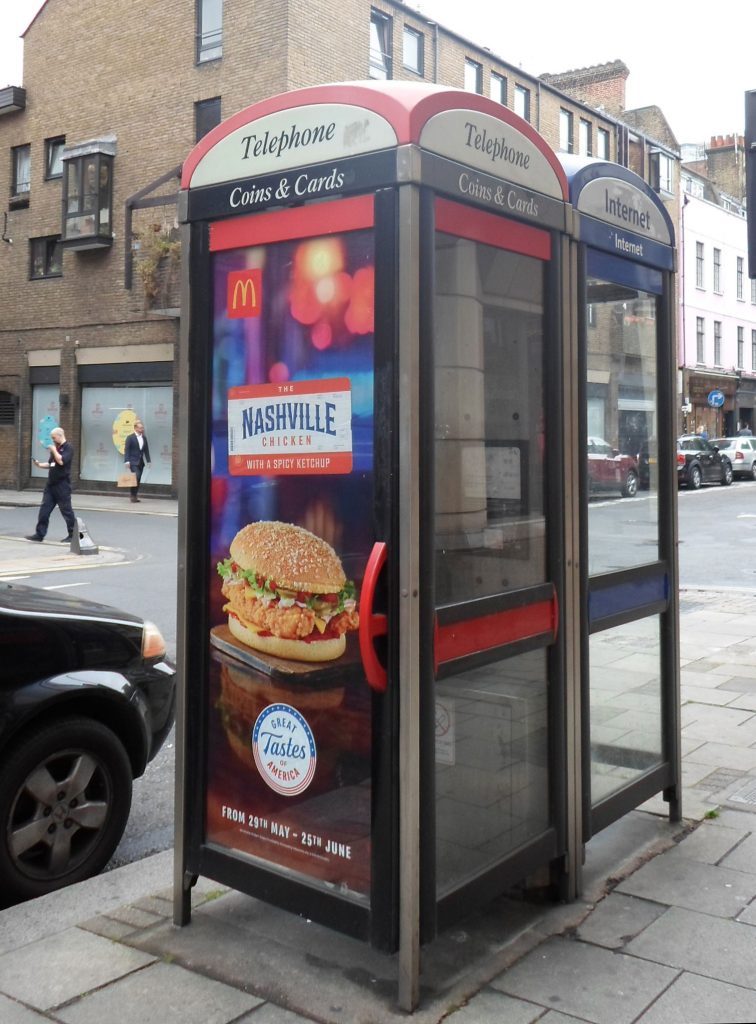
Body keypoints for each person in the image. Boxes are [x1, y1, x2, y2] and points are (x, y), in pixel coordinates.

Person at [26, 427, 77, 542]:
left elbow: (61, 461)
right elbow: (51, 464)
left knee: (66, 511)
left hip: (62, 485)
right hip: (51, 485)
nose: (53, 440)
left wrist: (53, 449)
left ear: (60, 435)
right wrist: (39, 465)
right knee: (44, 510)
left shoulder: (68, 447)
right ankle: (39, 534)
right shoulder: (57, 448)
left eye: (54, 438)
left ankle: (73, 535)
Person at [123, 418, 151, 502]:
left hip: (141, 462)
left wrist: (148, 461)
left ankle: (134, 496)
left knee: (138, 479)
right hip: (133, 461)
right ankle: (132, 495)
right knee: (136, 476)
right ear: (135, 428)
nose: (142, 429)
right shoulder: (130, 438)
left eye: (142, 428)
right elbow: (126, 450)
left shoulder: (144, 438)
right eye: (140, 428)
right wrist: (127, 461)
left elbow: (146, 450)